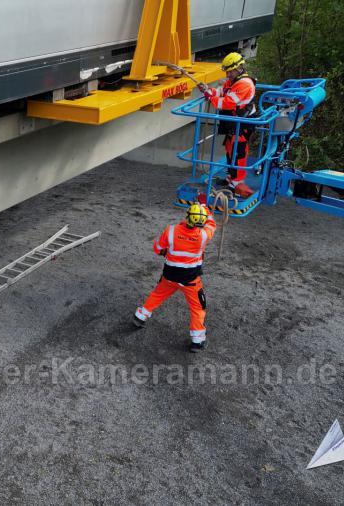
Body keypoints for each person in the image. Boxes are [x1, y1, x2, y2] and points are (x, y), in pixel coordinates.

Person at [134, 199, 216, 353]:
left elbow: (158, 249)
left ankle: (140, 317)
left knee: (157, 295)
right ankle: (197, 341)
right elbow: (211, 224)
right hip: (190, 281)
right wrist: (206, 209)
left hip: (170, 277)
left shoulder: (171, 231)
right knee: (197, 308)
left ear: (187, 216)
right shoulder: (204, 236)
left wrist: (166, 251)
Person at [199, 52, 257, 198]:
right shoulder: (232, 81)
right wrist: (208, 90)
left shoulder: (244, 84)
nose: (228, 74)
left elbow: (227, 102)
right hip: (233, 122)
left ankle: (237, 183)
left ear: (239, 68)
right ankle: (231, 178)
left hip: (242, 123)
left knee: (239, 152)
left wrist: (210, 97)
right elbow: (221, 92)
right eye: (227, 71)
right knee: (230, 150)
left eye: (230, 71)